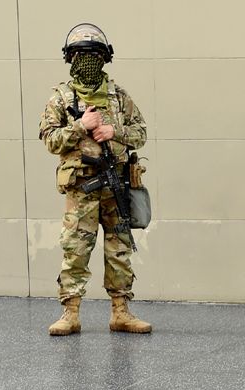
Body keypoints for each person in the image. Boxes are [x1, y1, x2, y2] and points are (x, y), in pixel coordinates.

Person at [39, 23, 151, 336]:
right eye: (80, 54)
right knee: (75, 249)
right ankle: (70, 313)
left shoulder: (119, 96)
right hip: (82, 189)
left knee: (119, 249)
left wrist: (116, 132)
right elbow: (50, 141)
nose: (87, 60)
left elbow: (141, 132)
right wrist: (80, 126)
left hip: (115, 184)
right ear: (70, 58)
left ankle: (121, 312)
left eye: (93, 54)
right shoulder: (61, 99)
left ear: (104, 58)